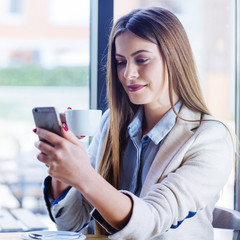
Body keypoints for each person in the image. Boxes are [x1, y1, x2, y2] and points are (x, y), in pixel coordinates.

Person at [33, 7, 234, 240]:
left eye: (141, 60)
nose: (128, 74)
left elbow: (150, 224)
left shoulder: (209, 138)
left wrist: (83, 175)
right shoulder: (111, 124)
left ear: (175, 59)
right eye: (120, 62)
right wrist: (60, 165)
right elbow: (70, 223)